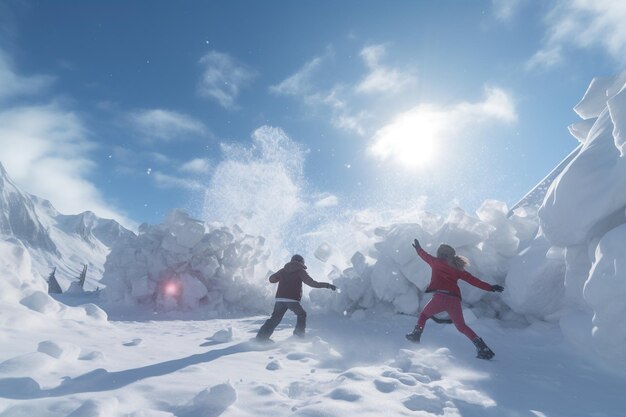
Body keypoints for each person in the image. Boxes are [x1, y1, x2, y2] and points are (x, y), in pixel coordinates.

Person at [405, 239, 504, 360]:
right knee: (461, 326)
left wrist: (418, 249)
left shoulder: (436, 262)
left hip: (441, 297)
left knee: (424, 315)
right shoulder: (457, 269)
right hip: (454, 300)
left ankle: (416, 335)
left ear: (440, 254)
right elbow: (473, 280)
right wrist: (490, 287)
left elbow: (425, 256)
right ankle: (483, 348)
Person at [255, 254, 337, 341]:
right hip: (291, 299)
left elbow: (271, 280)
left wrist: (278, 276)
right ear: (301, 262)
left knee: (275, 318)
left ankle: (261, 338)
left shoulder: (283, 270)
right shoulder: (300, 271)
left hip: (280, 299)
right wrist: (327, 285)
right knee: (301, 314)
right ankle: (298, 336)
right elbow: (312, 283)